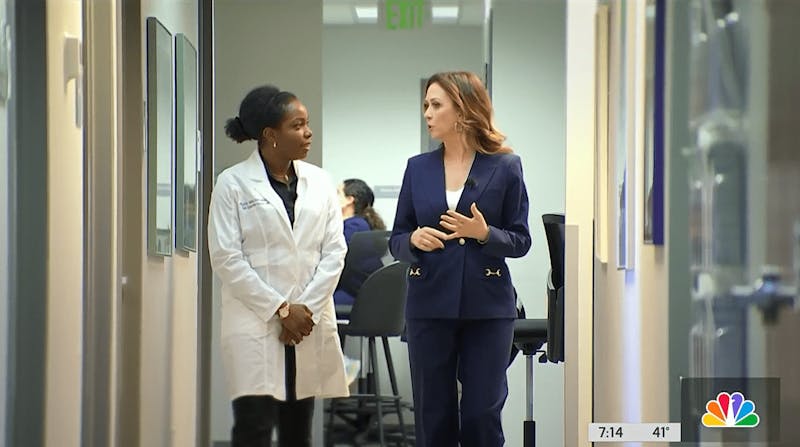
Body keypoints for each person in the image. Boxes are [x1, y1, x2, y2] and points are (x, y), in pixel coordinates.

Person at [389, 71, 531, 447]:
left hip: (488, 308)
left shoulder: (505, 166)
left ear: (464, 109)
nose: (427, 114)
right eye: (425, 106)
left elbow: (521, 241)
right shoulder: (417, 168)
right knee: (433, 415)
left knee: (482, 413)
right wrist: (414, 240)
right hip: (428, 303)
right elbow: (397, 239)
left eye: (436, 105)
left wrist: (484, 234)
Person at [208, 85, 349, 447]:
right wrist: (282, 310)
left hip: (306, 324)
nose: (308, 132)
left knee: (297, 431)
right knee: (253, 427)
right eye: (297, 125)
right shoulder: (233, 183)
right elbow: (226, 256)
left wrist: (305, 312)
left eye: (307, 124)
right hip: (257, 322)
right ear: (270, 135)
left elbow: (334, 252)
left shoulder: (320, 181)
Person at [334, 178, 387, 307]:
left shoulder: (353, 227)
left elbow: (334, 261)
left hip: (355, 296)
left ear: (349, 200)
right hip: (364, 295)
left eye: (337, 193)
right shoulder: (360, 225)